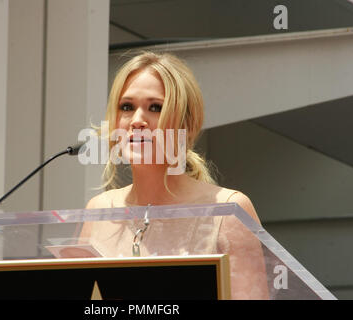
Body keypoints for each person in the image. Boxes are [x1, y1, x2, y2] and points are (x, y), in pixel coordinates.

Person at [84, 51, 269, 300]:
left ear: (186, 124)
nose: (137, 120)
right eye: (126, 107)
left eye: (155, 107)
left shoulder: (228, 211)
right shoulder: (99, 211)